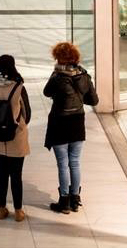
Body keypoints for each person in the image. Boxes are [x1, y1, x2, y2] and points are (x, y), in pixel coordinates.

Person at [43, 41, 98, 214]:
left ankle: (64, 201)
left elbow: (46, 92)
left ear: (59, 58)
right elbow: (94, 100)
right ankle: (75, 199)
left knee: (63, 164)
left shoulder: (58, 77)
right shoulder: (84, 75)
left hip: (60, 122)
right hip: (77, 122)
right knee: (74, 162)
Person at [0, 54, 31, 222]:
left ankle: (1, 208)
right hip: (16, 136)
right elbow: (27, 112)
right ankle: (18, 211)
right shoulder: (18, 87)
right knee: (16, 176)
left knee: (2, 175)